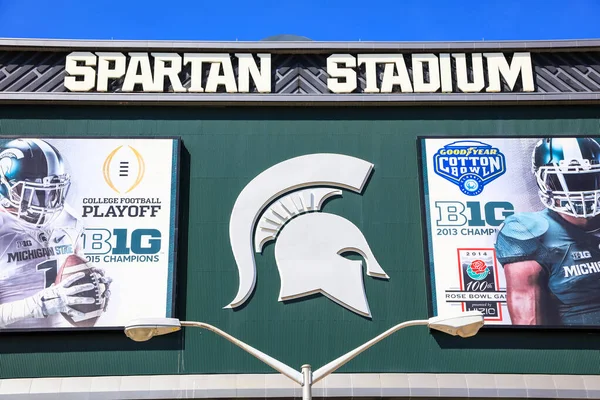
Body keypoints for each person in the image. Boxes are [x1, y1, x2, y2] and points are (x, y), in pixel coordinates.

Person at [0, 138, 110, 329]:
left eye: (52, 191)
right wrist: (36, 305)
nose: (44, 202)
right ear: (5, 186)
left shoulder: (68, 220)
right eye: (32, 192)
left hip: (60, 340)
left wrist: (92, 286)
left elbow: (73, 269)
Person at [495, 137, 600, 326]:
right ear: (545, 182)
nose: (580, 191)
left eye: (587, 179)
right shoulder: (529, 231)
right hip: (576, 347)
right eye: (568, 180)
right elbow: (529, 328)